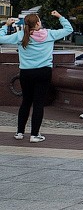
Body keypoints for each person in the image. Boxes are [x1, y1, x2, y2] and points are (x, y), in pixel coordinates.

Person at [1, 11, 73, 143]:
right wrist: (60, 17)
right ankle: (34, 135)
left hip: (26, 73)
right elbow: (69, 29)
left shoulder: (21, 35)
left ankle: (19, 132)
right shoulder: (49, 34)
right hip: (43, 72)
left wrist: (6, 25)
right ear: (38, 23)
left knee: (26, 102)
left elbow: (1, 39)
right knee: (38, 104)